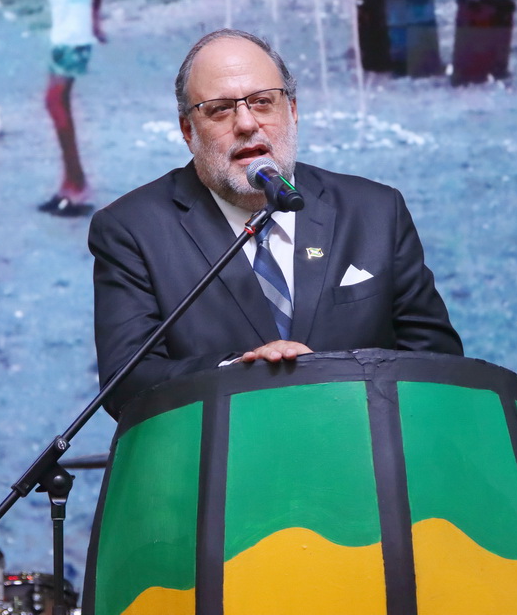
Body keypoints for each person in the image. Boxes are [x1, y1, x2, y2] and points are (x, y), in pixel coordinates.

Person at [89, 29, 463, 418]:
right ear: (188, 130)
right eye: (220, 109)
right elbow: (126, 384)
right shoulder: (132, 229)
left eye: (263, 102)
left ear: (293, 111)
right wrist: (239, 374)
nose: (247, 123)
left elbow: (437, 363)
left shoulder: (375, 211)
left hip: (366, 458)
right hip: (223, 466)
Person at [9, 0, 106, 217]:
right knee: (55, 102)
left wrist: (93, 14)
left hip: (73, 31)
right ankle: (70, 184)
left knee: (55, 102)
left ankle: (77, 186)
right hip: (67, 30)